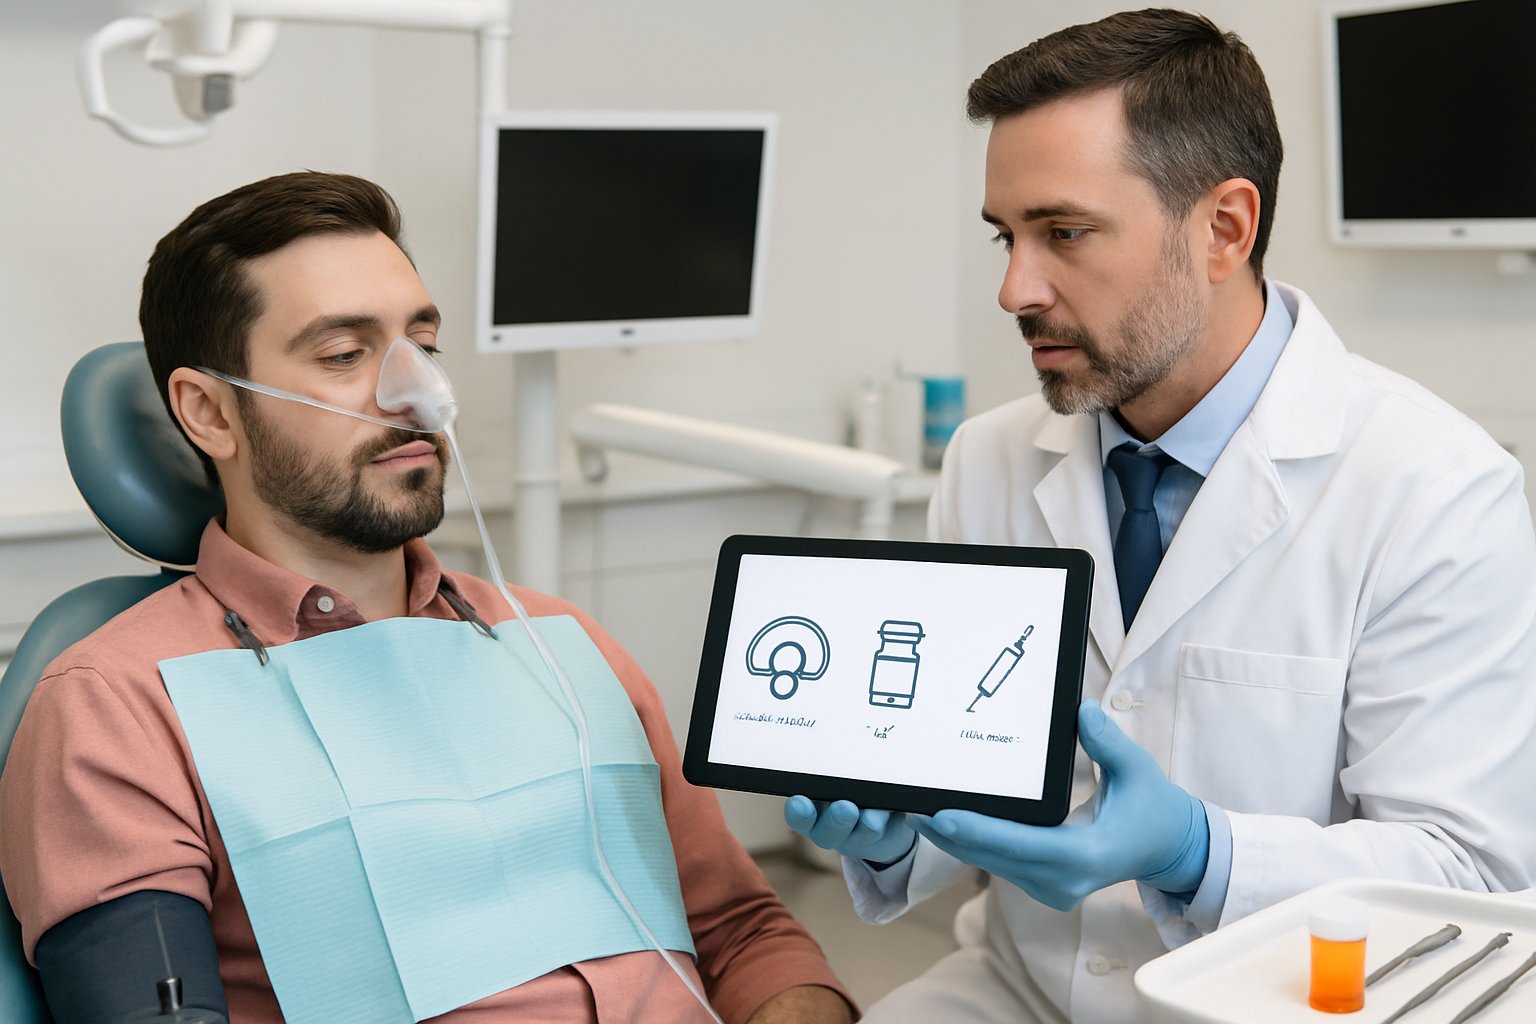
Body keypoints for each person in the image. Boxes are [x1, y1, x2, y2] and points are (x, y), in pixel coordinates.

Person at [786, 9, 1536, 1022]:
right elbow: (966, 771)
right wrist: (896, 831)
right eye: (1007, 236)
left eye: (1064, 231)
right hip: (1016, 986)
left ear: (1224, 228)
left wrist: (1202, 852)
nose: (1015, 287)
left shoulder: (1436, 488)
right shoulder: (989, 458)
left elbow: (1469, 876)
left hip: (1275, 1006)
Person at [0, 172, 855, 1024]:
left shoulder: (563, 644)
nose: (415, 393)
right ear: (210, 413)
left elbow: (743, 935)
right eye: (344, 355)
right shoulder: (117, 704)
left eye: (423, 345)